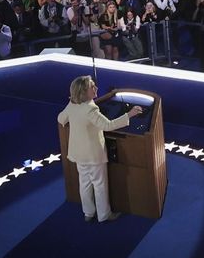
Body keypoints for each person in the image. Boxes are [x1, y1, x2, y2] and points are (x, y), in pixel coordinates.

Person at [57, 75, 141, 222]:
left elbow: (61, 119)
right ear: (83, 92)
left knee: (84, 184)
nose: (96, 88)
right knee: (100, 185)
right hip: (93, 156)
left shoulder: (72, 104)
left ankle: (88, 213)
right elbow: (107, 125)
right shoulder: (91, 109)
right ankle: (104, 215)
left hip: (78, 154)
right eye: (92, 87)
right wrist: (129, 114)